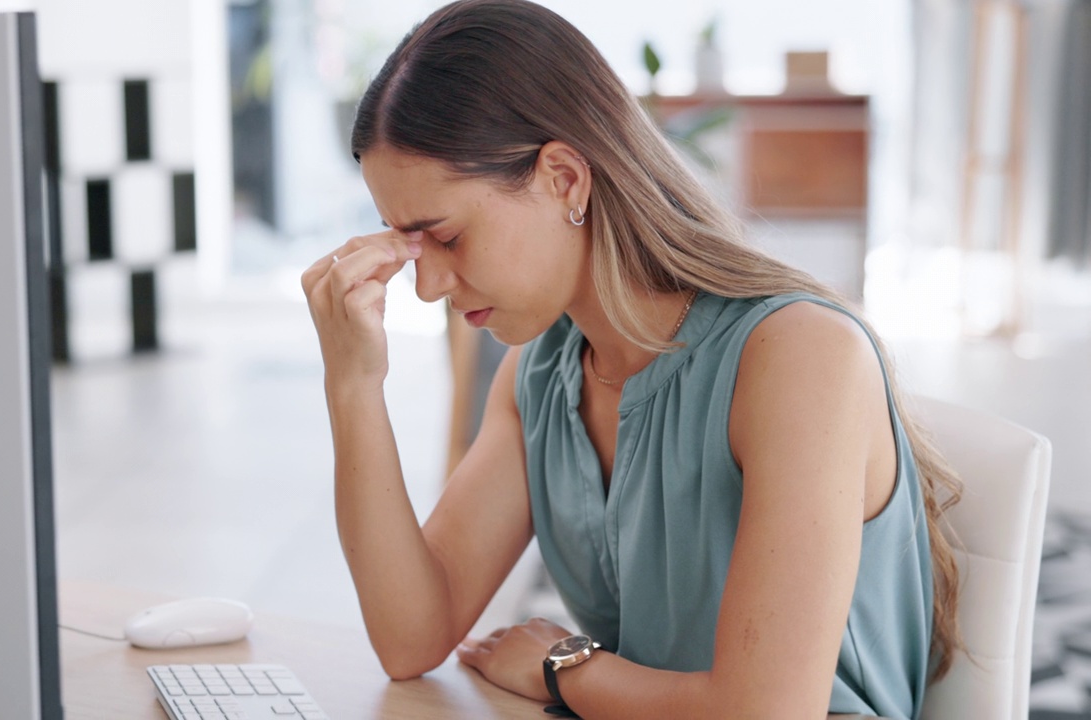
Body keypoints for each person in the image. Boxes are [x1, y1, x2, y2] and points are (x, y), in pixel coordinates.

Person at [300, 1, 963, 717]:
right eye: (408, 246)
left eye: (447, 238)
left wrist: (565, 669)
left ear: (564, 180)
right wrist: (354, 384)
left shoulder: (800, 357)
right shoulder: (544, 377)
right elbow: (409, 637)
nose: (426, 286)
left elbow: (766, 711)